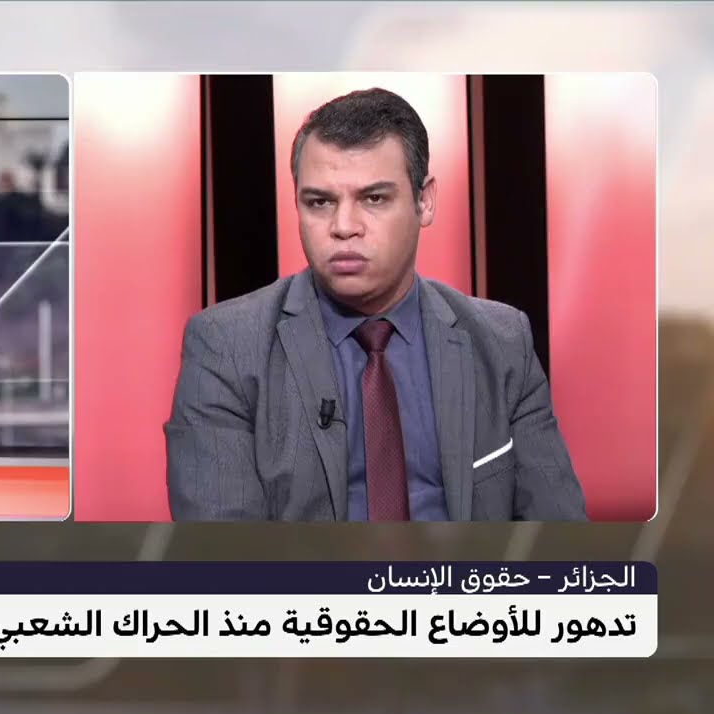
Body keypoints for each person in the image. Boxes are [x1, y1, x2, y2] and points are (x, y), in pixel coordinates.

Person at [165, 88, 586, 522]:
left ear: (425, 200)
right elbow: (224, 552)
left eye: (374, 198)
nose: (344, 227)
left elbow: (561, 536)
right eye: (320, 202)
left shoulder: (502, 342)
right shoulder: (227, 348)